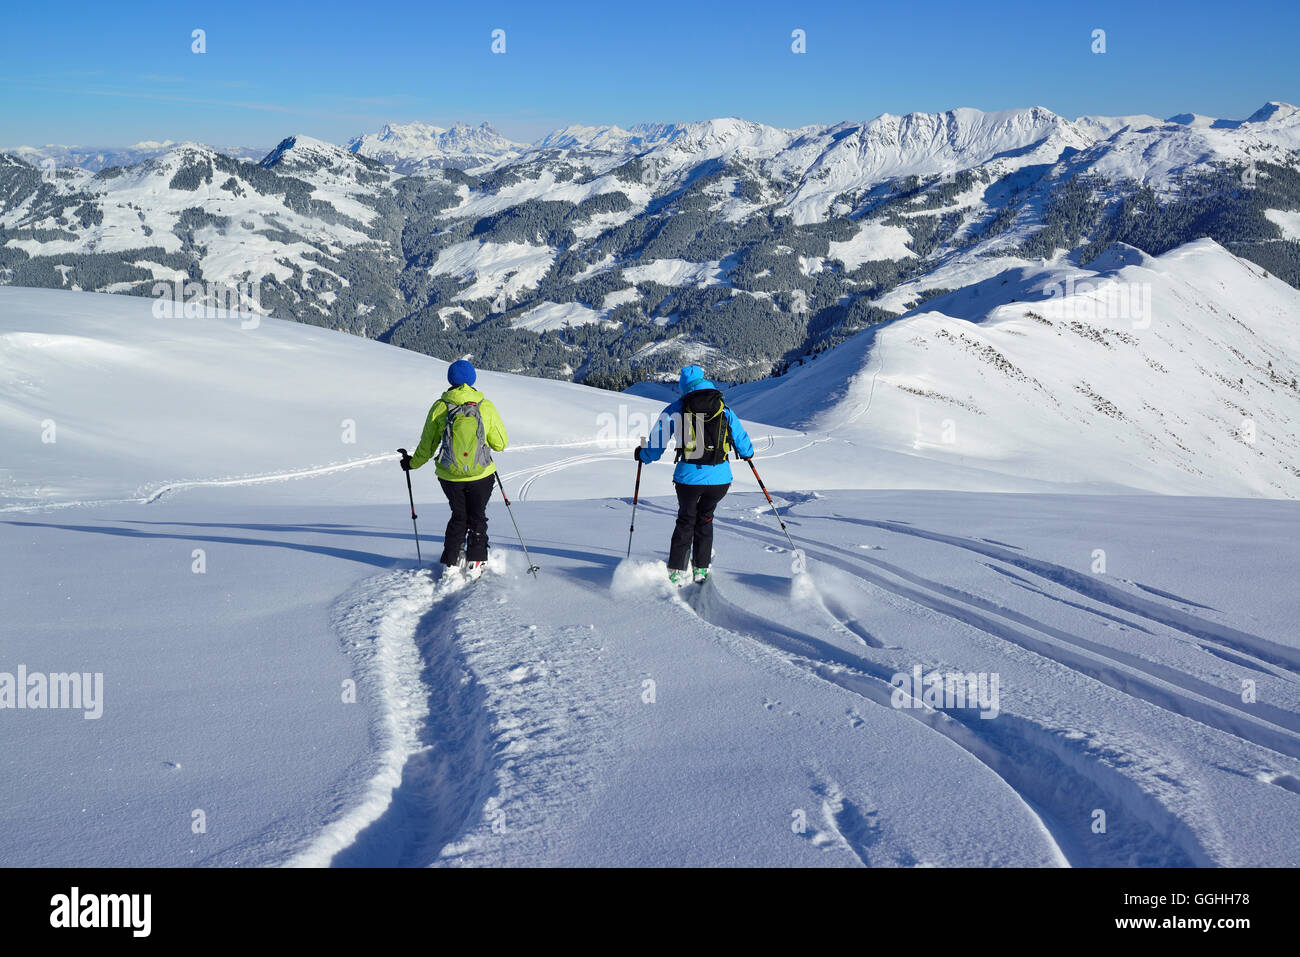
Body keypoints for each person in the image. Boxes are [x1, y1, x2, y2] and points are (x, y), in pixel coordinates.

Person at [635, 365, 755, 585]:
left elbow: (655, 446)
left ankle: (676, 572)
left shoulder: (676, 409)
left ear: (682, 385)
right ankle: (701, 569)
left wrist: (642, 454)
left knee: (686, 519)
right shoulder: (723, 408)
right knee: (705, 519)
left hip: (688, 479)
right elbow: (743, 441)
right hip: (720, 480)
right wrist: (748, 454)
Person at [401, 359, 508, 576]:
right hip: (481, 474)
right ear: (473, 380)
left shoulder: (440, 406)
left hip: (449, 475)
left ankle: (452, 560)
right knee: (477, 516)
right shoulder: (485, 406)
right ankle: (476, 561)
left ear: (450, 380)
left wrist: (411, 463)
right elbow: (500, 443)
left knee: (459, 516)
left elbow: (427, 445)